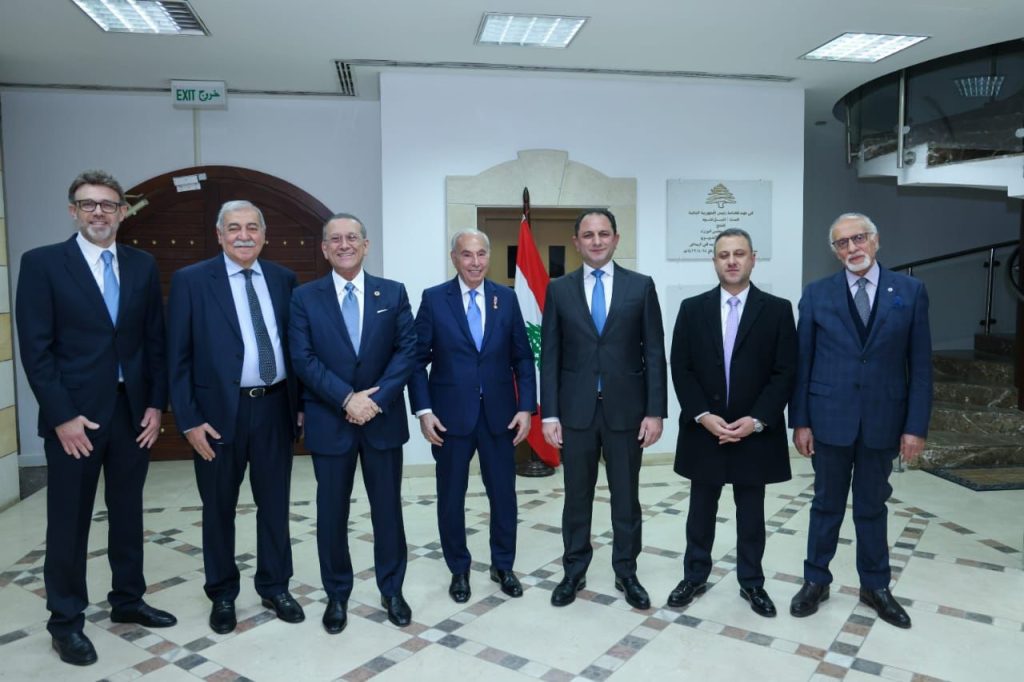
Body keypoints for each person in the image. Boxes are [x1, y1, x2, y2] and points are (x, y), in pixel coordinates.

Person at [16, 170, 176, 666]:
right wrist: (61, 416)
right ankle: (66, 621)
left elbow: (154, 340)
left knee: (128, 513)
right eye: (88, 204)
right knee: (69, 521)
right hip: (75, 420)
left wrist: (155, 404)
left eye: (108, 205)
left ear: (122, 212)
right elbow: (36, 351)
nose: (99, 213)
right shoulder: (42, 264)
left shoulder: (142, 264)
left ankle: (128, 599)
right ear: (73, 211)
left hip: (132, 413)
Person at [166, 200, 303, 634]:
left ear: (264, 235)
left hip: (275, 407)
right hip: (216, 415)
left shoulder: (283, 279)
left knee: (275, 504)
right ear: (219, 235)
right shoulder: (191, 281)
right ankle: (222, 594)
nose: (243, 235)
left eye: (251, 227)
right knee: (218, 507)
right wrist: (189, 420)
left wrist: (299, 404)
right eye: (234, 228)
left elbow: (296, 348)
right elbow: (177, 358)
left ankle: (275, 586)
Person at [789, 213, 932, 629]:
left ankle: (875, 586)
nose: (852, 248)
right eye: (842, 243)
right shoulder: (817, 294)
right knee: (826, 505)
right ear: (835, 251)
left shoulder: (910, 291)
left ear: (876, 240)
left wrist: (915, 426)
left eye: (859, 238)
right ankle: (816, 580)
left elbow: (921, 366)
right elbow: (803, 363)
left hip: (884, 420)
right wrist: (801, 421)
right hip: (829, 419)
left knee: (872, 507)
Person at [289, 213, 417, 633]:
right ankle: (337, 594)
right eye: (335, 239)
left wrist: (373, 400)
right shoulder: (304, 297)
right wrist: (346, 398)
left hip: (382, 421)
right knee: (331, 514)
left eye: (351, 238)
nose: (344, 245)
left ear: (366, 245)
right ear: (324, 249)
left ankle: (392, 590)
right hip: (331, 420)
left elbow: (406, 351)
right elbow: (303, 358)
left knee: (388, 511)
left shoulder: (393, 292)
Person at [541, 208, 667, 610]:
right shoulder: (559, 290)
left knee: (626, 498)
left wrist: (655, 411)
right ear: (576, 242)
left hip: (627, 413)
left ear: (616, 239)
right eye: (588, 235)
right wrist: (550, 414)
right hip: (575, 412)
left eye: (604, 233)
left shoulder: (640, 286)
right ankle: (574, 570)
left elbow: (654, 352)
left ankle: (626, 571)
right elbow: (550, 355)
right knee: (576, 497)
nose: (596, 241)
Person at [668, 228, 796, 616]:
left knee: (751, 513)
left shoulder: (777, 310)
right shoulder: (692, 309)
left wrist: (757, 419)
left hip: (754, 432)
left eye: (739, 253)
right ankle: (694, 576)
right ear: (714, 261)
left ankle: (752, 582)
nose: (732, 261)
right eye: (724, 255)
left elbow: (785, 371)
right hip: (704, 430)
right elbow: (681, 367)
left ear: (753, 258)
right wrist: (702, 415)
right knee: (700, 511)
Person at [409, 229, 535, 604]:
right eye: (467, 254)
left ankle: (503, 565)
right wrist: (424, 410)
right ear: (454, 258)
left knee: (504, 495)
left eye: (481, 254)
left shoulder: (506, 298)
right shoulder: (434, 299)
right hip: (449, 419)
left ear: (489, 257)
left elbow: (523, 357)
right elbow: (416, 360)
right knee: (451, 497)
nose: (475, 262)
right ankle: (459, 569)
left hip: (500, 417)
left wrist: (526, 407)